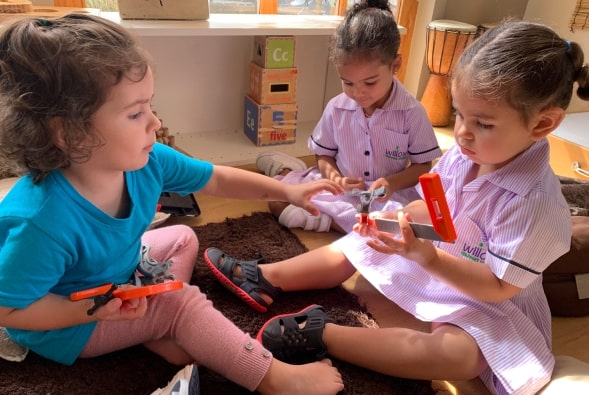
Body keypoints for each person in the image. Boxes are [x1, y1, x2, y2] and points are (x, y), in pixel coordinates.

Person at [206, 20, 589, 394]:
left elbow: (498, 287)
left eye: (483, 124)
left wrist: (429, 259)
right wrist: (399, 219)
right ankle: (268, 277)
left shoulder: (534, 203)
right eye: (459, 115)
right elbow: (438, 208)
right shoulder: (465, 153)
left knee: (461, 358)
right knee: (362, 237)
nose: (462, 133)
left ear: (542, 125)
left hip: (488, 301)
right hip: (438, 257)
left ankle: (323, 333)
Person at [0, 14, 345, 395]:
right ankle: (275, 379)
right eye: (135, 113)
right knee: (179, 301)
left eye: (150, 105)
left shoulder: (150, 160)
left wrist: (287, 192)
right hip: (70, 326)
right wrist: (90, 309)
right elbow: (10, 311)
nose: (155, 121)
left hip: (117, 278)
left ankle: (153, 325)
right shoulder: (41, 222)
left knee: (182, 237)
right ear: (68, 133)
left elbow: (217, 177)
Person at [256, 0, 442, 234]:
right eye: (348, 82)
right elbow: (324, 155)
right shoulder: (337, 108)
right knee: (278, 201)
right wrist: (336, 178)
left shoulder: (412, 113)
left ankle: (332, 222)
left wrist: (391, 183)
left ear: (396, 65)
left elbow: (423, 166)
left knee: (407, 228)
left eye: (370, 82)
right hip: (342, 194)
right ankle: (285, 170)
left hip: (389, 198)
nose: (358, 92)